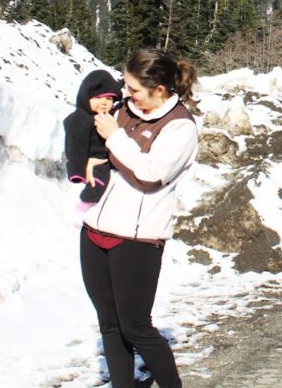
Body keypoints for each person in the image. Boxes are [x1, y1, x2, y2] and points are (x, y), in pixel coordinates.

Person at [81, 47, 200, 388]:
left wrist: (114, 138)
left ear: (159, 89)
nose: (126, 93)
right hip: (95, 228)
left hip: (137, 238)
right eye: (125, 85)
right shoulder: (123, 109)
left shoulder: (180, 127)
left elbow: (150, 174)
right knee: (109, 322)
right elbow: (97, 145)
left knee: (136, 326)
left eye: (133, 88)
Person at [63, 69, 123, 204]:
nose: (104, 102)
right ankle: (84, 207)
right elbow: (75, 146)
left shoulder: (107, 115)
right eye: (98, 98)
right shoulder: (80, 118)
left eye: (108, 98)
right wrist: (77, 171)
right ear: (86, 97)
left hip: (105, 160)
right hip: (93, 160)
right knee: (97, 186)